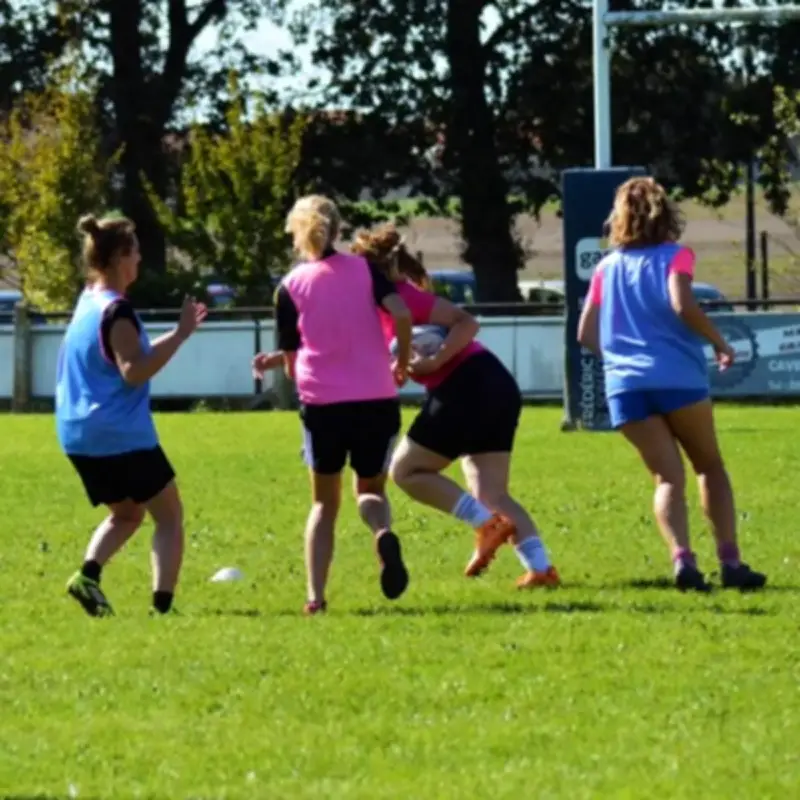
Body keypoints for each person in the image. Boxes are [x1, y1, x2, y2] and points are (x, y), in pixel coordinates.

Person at [577, 176, 766, 592]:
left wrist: (622, 363)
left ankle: (683, 560)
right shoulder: (676, 256)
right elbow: (682, 303)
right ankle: (731, 563)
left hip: (626, 387)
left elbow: (585, 334)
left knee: (666, 478)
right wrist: (719, 342)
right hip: (677, 378)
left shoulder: (605, 267)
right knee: (709, 466)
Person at [351, 224, 559, 590]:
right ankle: (541, 569)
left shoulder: (404, 298)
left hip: (467, 385)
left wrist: (435, 361)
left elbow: (467, 322)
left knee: (406, 471)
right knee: (492, 494)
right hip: (494, 385)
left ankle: (486, 524)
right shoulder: (382, 310)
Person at [258, 195, 414, 615]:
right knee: (371, 491)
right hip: (376, 398)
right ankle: (382, 534)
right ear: (339, 229)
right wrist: (400, 363)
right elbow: (401, 315)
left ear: (296, 234)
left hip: (324, 404)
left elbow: (291, 363)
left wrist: (302, 371)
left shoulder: (290, 287)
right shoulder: (366, 270)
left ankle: (316, 598)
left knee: (324, 504)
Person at [57, 214, 207, 617]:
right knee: (169, 516)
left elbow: (123, 357)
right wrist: (179, 335)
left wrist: (178, 334)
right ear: (120, 257)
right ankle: (162, 608)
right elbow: (134, 370)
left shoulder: (89, 300)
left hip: (78, 434)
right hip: (119, 434)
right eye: (135, 251)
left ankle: (87, 577)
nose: (140, 258)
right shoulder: (117, 311)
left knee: (127, 513)